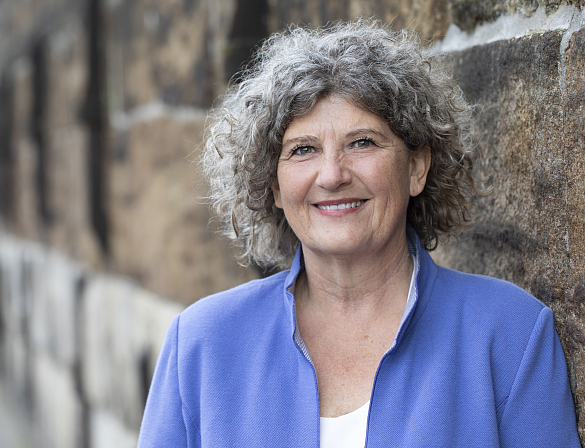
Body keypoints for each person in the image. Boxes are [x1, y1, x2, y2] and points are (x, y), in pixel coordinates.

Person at [137, 20, 580, 447]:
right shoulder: (201, 343)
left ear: (417, 168)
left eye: (362, 142)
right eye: (303, 149)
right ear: (273, 185)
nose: (332, 175)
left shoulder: (510, 335)